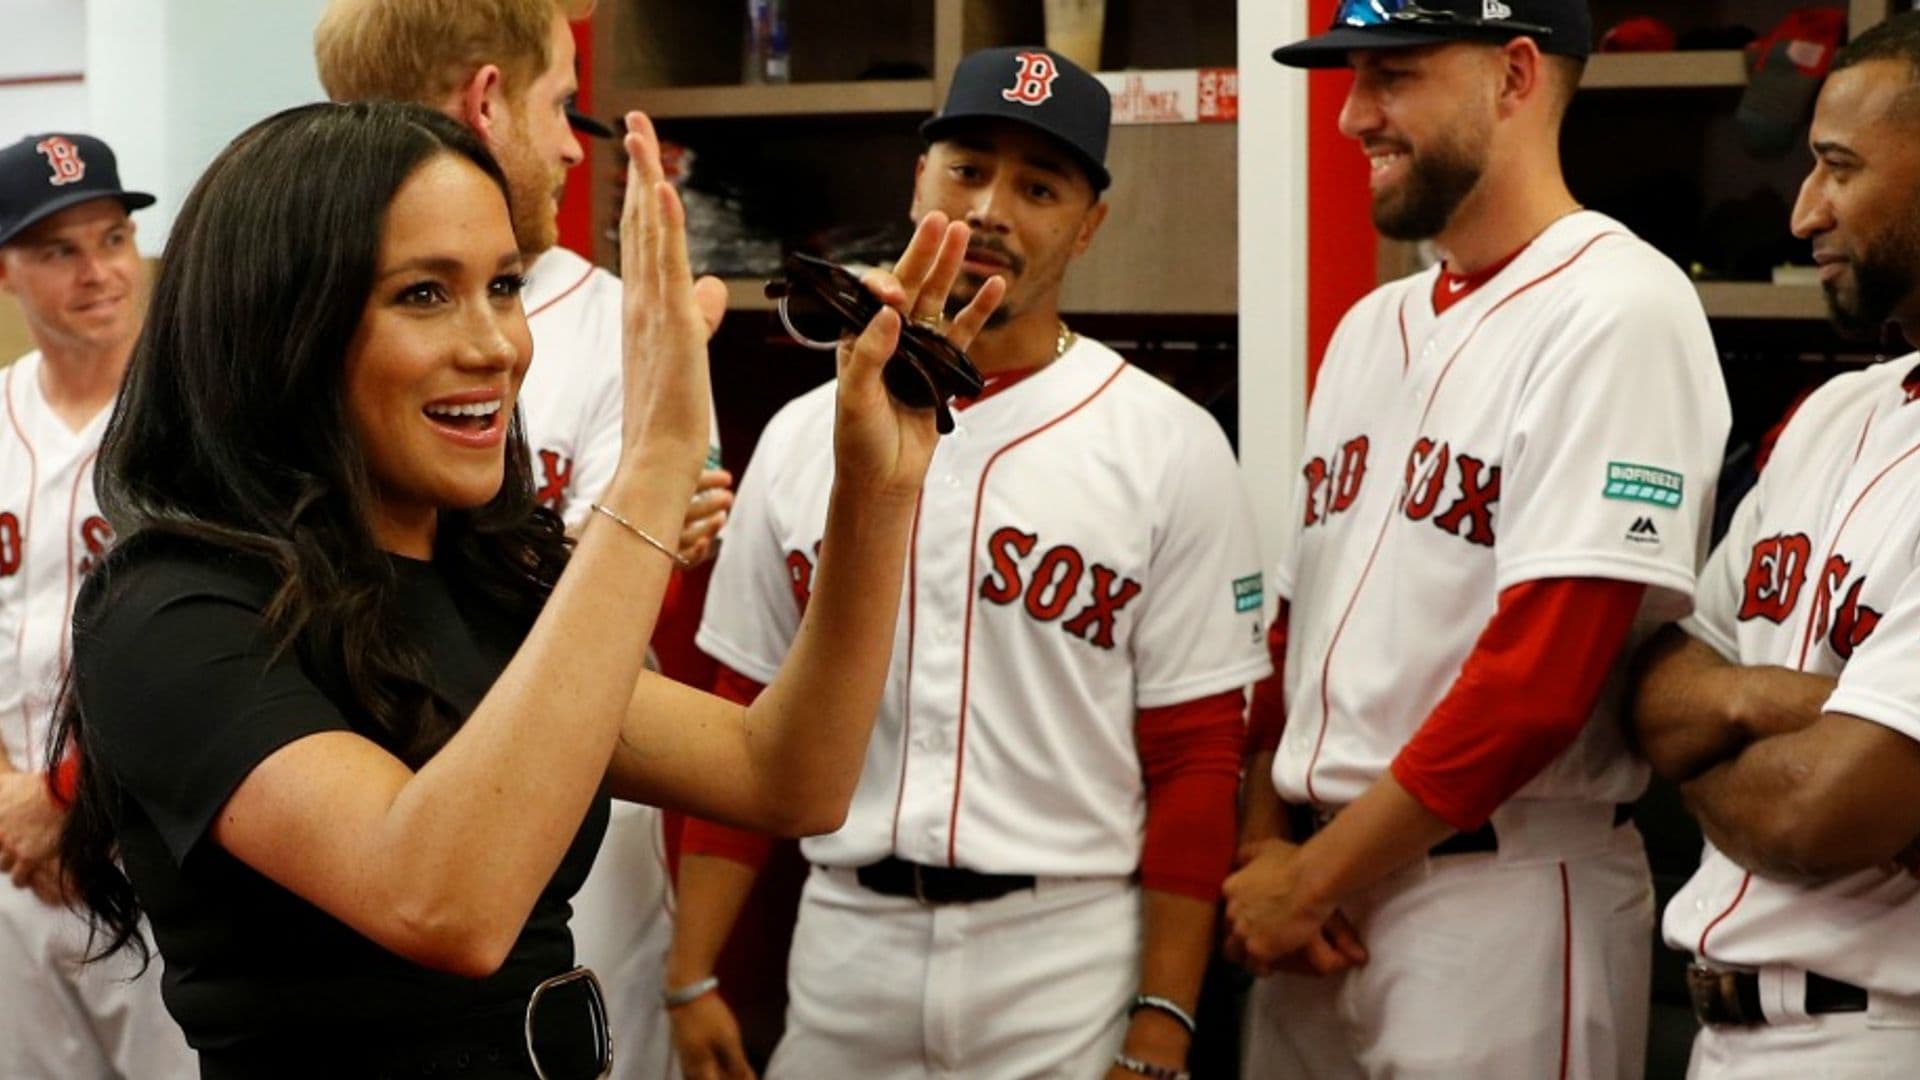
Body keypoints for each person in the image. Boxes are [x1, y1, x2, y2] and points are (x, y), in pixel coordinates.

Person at [51, 99, 999, 1078]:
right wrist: (657, 459)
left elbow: (786, 775)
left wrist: (876, 496)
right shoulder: (168, 607)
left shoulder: (479, 577)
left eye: (504, 286)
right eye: (425, 294)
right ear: (282, 323)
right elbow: (446, 902)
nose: (495, 344)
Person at [666, 46, 1270, 1080]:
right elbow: (741, 706)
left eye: (1039, 187)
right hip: (846, 937)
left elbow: (1197, 753)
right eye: (967, 168)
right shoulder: (808, 434)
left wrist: (1164, 1017)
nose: (992, 208)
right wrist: (689, 970)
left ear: (1088, 227)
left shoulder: (1169, 444)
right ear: (918, 182)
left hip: (1064, 948)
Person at [1231, 2, 1730, 1076]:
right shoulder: (1373, 325)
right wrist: (1266, 844)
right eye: (1353, 77)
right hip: (1315, 902)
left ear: (1514, 77)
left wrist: (1305, 880)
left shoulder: (1621, 307)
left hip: (1495, 901)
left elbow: (1537, 683)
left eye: (1394, 75)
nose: (1352, 115)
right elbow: (1293, 637)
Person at [312, 4, 735, 1074]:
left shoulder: (619, 323)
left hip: (593, 817)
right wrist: (625, 537)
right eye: (559, 104)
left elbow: (644, 620)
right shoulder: (294, 323)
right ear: (488, 98)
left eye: (502, 293)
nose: (565, 144)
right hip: (338, 822)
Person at [1630, 12, 1920, 1075]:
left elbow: (1824, 808)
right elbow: (1654, 686)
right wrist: (1769, 702)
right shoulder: (1832, 414)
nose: (1802, 213)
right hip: (1725, 1030)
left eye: (1838, 169)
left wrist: (1716, 733)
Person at [0, 131, 195, 1079]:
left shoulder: (199, 424)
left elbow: (201, 659)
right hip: (8, 861)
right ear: (6, 273)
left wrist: (67, 805)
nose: (98, 271)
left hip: (156, 854)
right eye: (57, 250)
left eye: (113, 238)